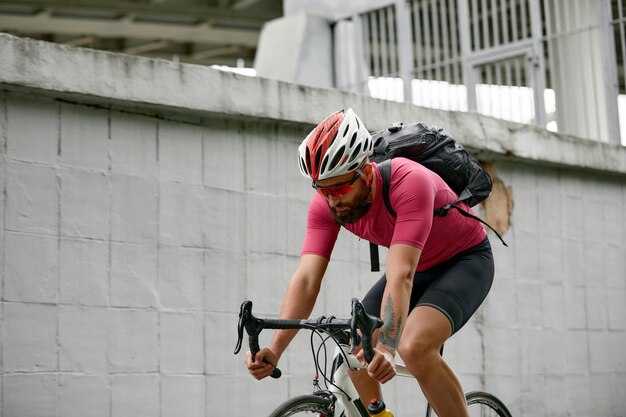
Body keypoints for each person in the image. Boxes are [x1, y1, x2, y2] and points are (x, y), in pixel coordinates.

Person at [245, 108, 494, 417]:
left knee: (414, 346)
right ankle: (379, 414)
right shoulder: (327, 203)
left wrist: (388, 346)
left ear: (364, 172)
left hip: (463, 261)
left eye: (339, 188)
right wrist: (276, 349)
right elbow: (307, 278)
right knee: (357, 345)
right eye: (323, 190)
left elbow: (401, 274)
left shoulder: (409, 181)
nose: (332, 200)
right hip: (415, 268)